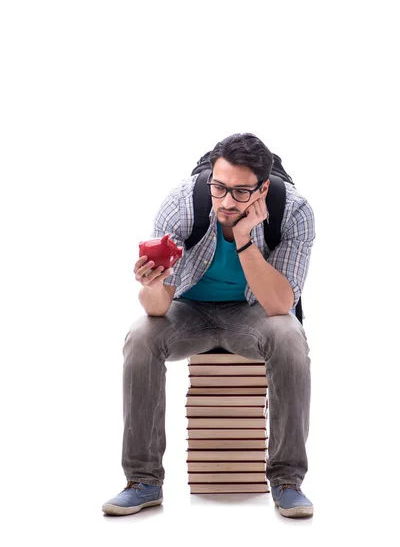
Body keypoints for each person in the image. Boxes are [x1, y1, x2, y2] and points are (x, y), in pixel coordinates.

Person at [102, 132, 316, 519]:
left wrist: (245, 239)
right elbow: (157, 308)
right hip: (190, 311)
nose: (226, 201)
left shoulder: (294, 211)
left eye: (240, 191)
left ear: (263, 188)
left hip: (253, 314)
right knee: (140, 337)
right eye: (219, 187)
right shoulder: (183, 203)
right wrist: (152, 284)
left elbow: (281, 304)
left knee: (289, 336)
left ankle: (287, 481)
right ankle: (143, 480)